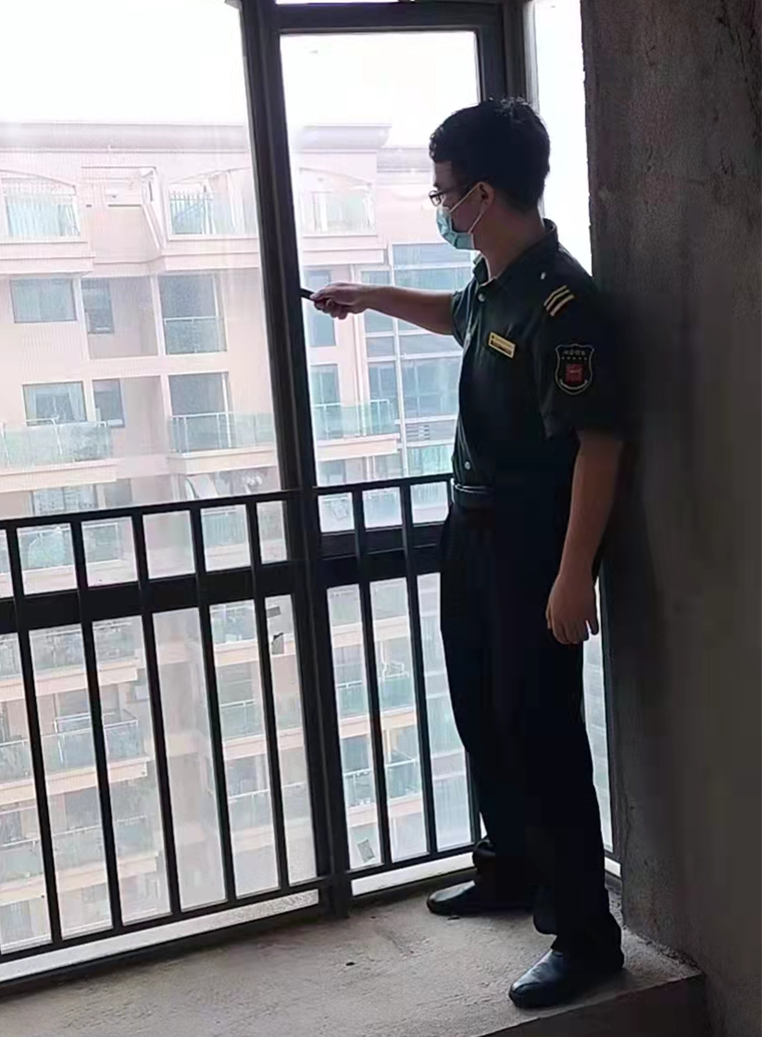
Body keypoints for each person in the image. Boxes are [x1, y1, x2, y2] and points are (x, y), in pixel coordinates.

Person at [312, 97, 624, 1009]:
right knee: (479, 708)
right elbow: (455, 316)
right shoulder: (493, 284)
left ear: (484, 194)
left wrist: (574, 572)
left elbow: (600, 445)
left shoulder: (562, 300)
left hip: (532, 548)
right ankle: (510, 867)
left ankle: (585, 935)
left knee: (541, 729)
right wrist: (371, 296)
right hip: (472, 534)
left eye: (444, 192)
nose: (440, 207)